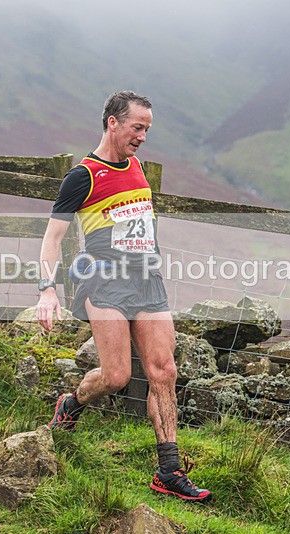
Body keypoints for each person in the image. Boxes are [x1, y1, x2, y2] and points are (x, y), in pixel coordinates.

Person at [35, 90, 211, 503]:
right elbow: (52, 238)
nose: (143, 137)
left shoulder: (137, 167)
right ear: (113, 122)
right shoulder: (83, 176)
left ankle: (168, 471)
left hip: (147, 282)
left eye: (147, 129)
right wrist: (47, 289)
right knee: (115, 377)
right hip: (104, 283)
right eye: (137, 127)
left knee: (163, 371)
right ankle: (72, 403)